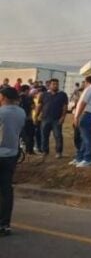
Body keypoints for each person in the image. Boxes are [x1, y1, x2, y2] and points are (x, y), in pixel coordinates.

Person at [0, 87, 25, 236]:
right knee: (6, 189)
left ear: (3, 97)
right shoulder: (20, 112)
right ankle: (4, 224)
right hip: (11, 153)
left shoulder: (2, 112)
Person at [72, 76, 91, 168]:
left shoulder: (89, 89)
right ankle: (80, 157)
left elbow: (83, 103)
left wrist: (77, 116)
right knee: (84, 137)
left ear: (86, 82)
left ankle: (87, 159)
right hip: (90, 113)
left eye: (83, 82)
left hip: (87, 114)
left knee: (86, 137)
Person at [39, 78, 68, 158]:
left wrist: (63, 117)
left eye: (57, 84)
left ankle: (58, 152)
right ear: (49, 85)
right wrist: (36, 115)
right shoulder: (44, 94)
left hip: (57, 119)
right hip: (45, 118)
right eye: (54, 84)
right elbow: (40, 105)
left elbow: (65, 106)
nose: (55, 86)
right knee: (44, 136)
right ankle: (45, 151)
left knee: (58, 136)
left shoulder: (62, 94)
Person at [18, 86, 35, 156]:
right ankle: (29, 150)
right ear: (26, 90)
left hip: (19, 119)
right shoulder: (29, 98)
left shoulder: (17, 98)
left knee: (19, 135)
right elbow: (33, 107)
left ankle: (19, 150)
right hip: (28, 119)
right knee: (29, 135)